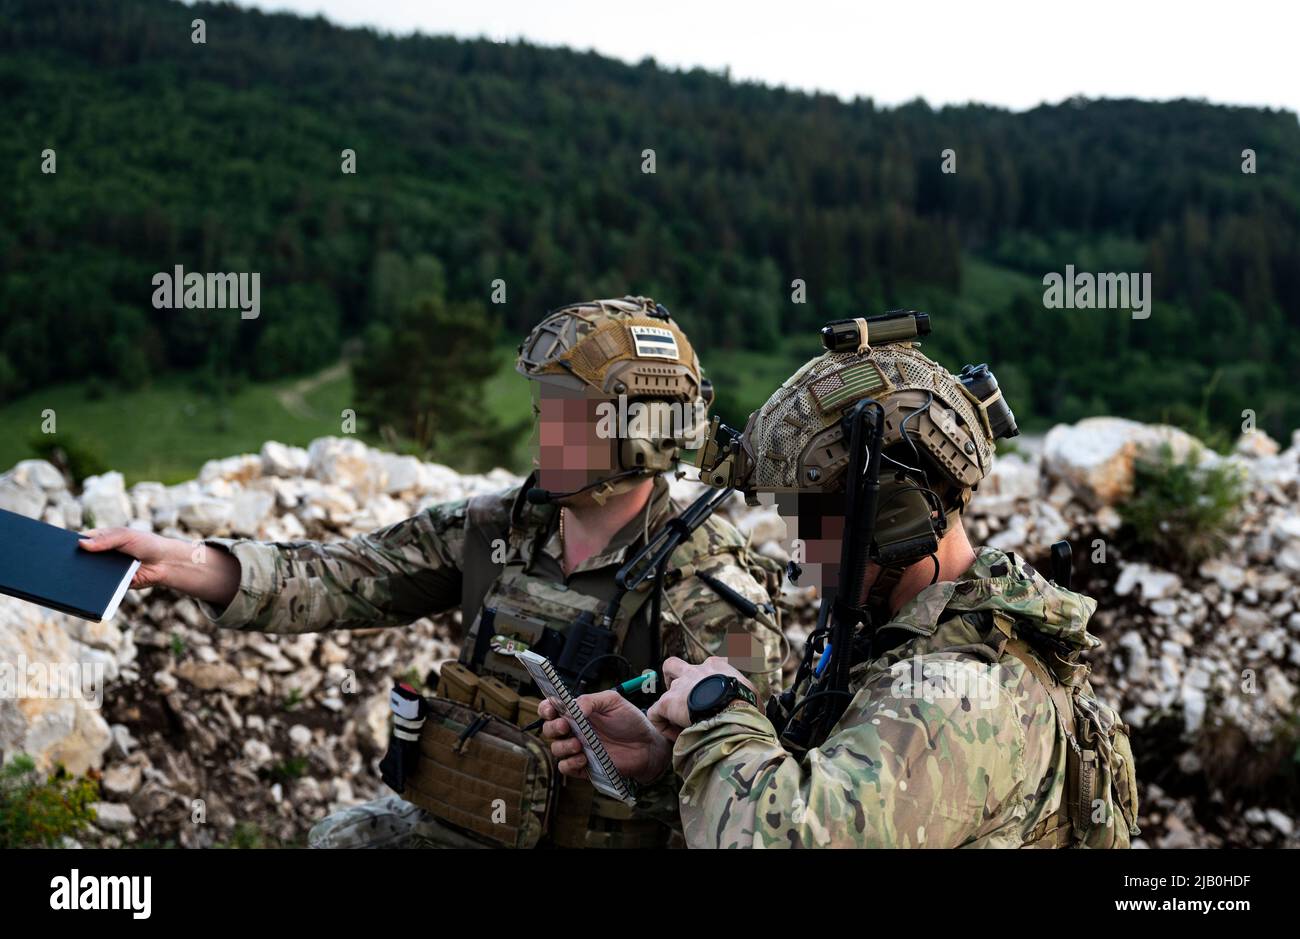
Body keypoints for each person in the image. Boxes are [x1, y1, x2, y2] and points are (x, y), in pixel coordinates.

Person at [80, 296, 785, 849]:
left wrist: (657, 756)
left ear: (644, 429)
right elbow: (352, 573)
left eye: (569, 413)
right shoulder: (502, 525)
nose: (543, 430)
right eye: (545, 407)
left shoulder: (711, 585)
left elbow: (749, 793)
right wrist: (190, 561)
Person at [541, 312, 1140, 848]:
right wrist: (663, 760)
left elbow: (788, 838)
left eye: (810, 521)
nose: (800, 552)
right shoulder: (891, 643)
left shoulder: (960, 693)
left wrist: (716, 709)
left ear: (895, 516)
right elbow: (802, 787)